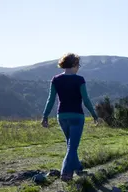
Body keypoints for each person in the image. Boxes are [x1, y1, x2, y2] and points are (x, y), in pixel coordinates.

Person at [41, 53, 99, 181]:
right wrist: (94, 115)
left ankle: (78, 168)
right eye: (78, 65)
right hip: (77, 116)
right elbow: (86, 100)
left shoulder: (55, 79)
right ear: (73, 65)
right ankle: (66, 173)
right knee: (72, 146)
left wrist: (45, 116)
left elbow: (50, 100)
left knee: (70, 144)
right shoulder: (79, 80)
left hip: (61, 116)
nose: (79, 67)